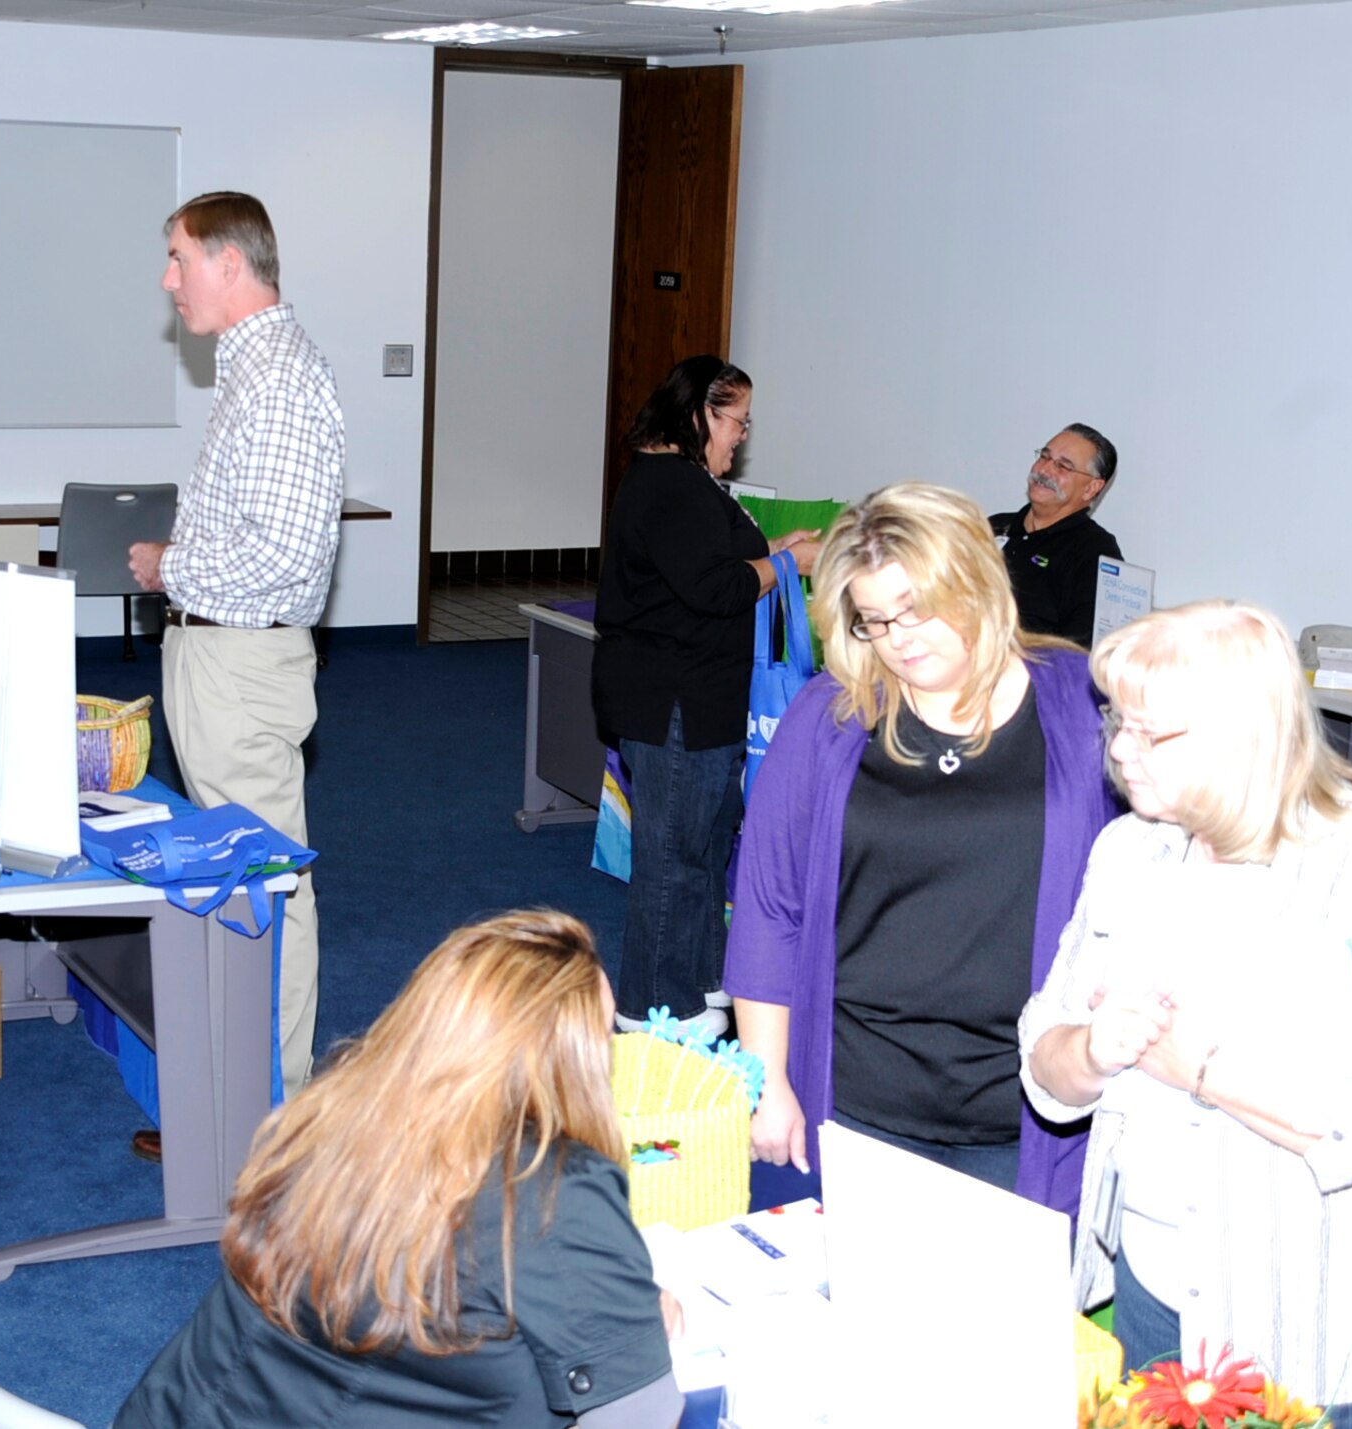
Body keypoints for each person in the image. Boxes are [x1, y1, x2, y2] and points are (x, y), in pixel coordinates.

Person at [1020, 600, 1352, 1427]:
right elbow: (1044, 1051)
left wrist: (1206, 1072)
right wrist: (1093, 1051)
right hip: (1160, 1296)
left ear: (1243, 736)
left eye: (1152, 733)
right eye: (1118, 723)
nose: (1119, 751)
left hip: (1337, 1331)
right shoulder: (1129, 851)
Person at [114, 910, 683, 1429]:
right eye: (602, 1035)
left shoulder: (330, 1113)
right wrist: (628, 1339)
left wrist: (609, 1314)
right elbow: (644, 1416)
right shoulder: (553, 1187)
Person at [726, 482, 1117, 1213]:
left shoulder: (1079, 705)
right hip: (863, 1095)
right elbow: (769, 910)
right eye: (875, 620)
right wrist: (767, 1079)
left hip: (1024, 1105)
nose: (898, 639)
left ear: (973, 583)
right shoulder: (830, 716)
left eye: (916, 610)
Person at [129, 191, 343, 1125]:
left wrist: (170, 562)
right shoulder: (251, 371)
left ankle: (271, 1116)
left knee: (266, 888)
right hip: (217, 657)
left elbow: (288, 556)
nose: (168, 279)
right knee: (228, 879)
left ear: (229, 261)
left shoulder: (282, 378)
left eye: (179, 258)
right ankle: (232, 1095)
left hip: (242, 666)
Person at [592, 355, 820, 1041]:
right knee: (673, 859)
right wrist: (786, 565)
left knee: (702, 848)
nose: (740, 437)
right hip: (672, 702)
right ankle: (651, 1009)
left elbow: (712, 562)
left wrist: (780, 548)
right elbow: (714, 589)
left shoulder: (690, 482)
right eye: (735, 422)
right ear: (699, 415)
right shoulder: (671, 484)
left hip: (699, 698)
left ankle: (694, 987)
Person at [988, 423, 1121, 646]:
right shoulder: (994, 526)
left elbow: (1078, 649)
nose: (1044, 470)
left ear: (1091, 488)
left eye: (1063, 466)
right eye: (1044, 456)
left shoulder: (1095, 551)